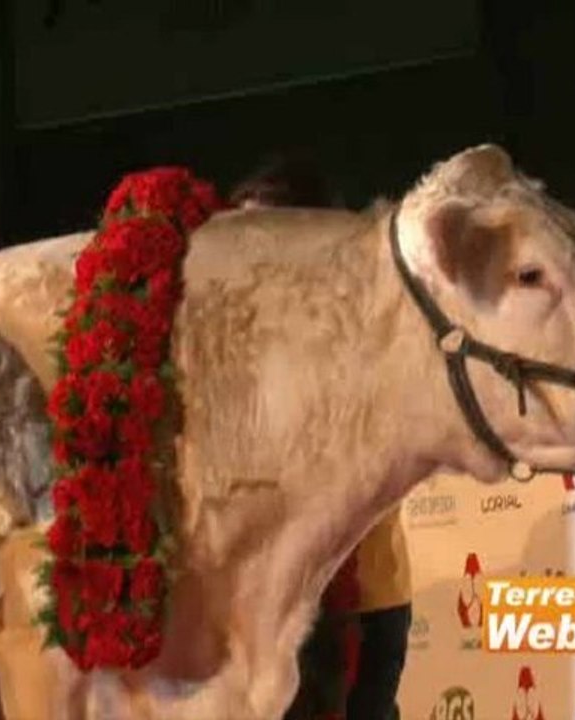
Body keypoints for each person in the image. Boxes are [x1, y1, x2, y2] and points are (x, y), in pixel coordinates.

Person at [227, 154, 412, 720]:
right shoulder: (227, 331)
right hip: (257, 602)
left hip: (360, 597)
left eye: (263, 233)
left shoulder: (371, 327)